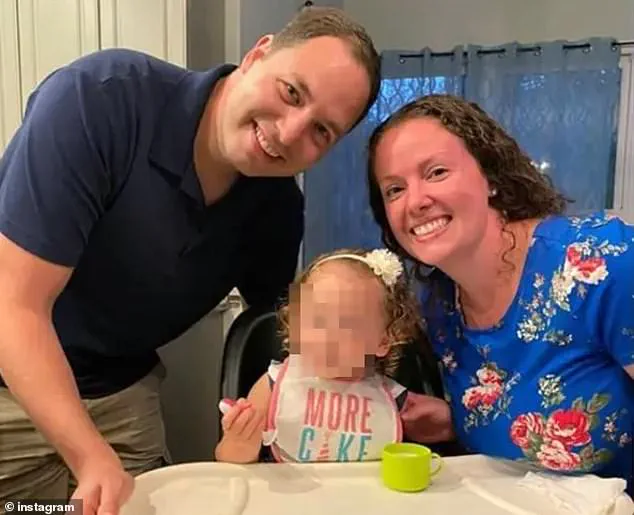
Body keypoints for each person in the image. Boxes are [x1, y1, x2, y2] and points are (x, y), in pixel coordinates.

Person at [0, 6, 380, 514]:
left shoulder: (277, 208)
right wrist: (90, 457)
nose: (290, 133)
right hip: (9, 386)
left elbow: (287, 332)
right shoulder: (100, 99)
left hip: (122, 395)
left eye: (321, 132)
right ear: (258, 54)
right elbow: (14, 305)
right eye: (292, 92)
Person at [366, 94, 634, 487]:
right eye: (394, 189)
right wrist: (455, 421)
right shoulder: (440, 304)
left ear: (490, 176)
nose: (415, 202)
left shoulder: (605, 265)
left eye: (436, 172)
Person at [214, 248, 426, 464]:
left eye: (347, 324)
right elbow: (228, 463)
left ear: (383, 342)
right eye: (315, 320)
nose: (326, 337)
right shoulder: (274, 384)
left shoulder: (394, 402)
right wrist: (239, 444)